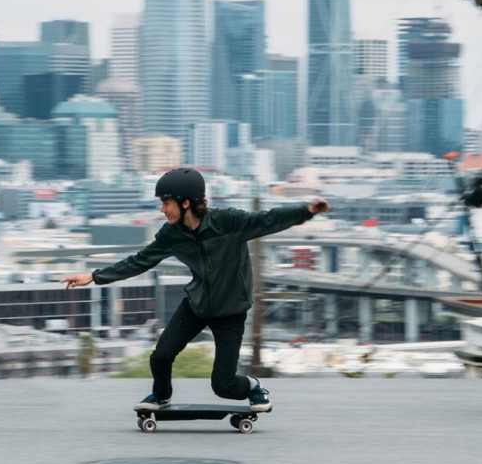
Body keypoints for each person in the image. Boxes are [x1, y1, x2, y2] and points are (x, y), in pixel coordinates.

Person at [61, 168, 330, 411]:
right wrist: (94, 276)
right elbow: (140, 260)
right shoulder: (171, 234)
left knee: (223, 386)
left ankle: (252, 386)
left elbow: (268, 219)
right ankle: (161, 396)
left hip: (230, 310)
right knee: (160, 357)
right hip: (197, 304)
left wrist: (306, 211)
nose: (162, 210)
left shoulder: (228, 221)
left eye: (165, 203)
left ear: (185, 202)